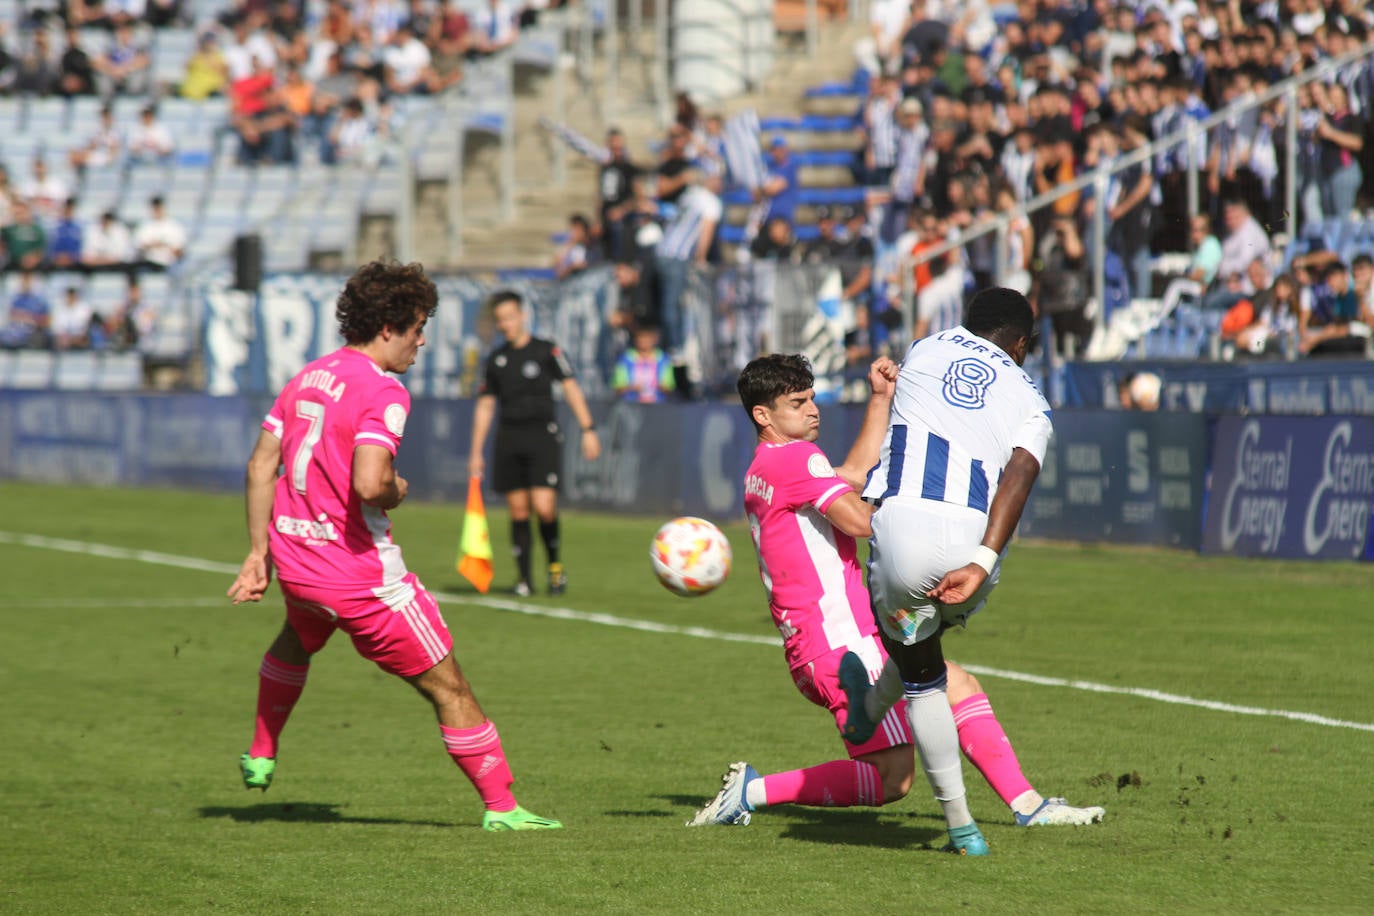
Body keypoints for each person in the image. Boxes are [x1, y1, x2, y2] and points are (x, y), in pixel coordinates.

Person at [688, 350, 1104, 842]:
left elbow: (853, 475)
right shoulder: (796, 460)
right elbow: (863, 522)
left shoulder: (771, 463)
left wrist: (881, 399)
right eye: (798, 402)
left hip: (827, 638)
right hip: (839, 638)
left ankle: (1029, 806)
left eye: (812, 398)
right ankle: (751, 793)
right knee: (892, 778)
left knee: (956, 685)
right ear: (763, 415)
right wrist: (918, 503)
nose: (813, 409)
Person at [226, 261, 561, 832]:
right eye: (417, 326)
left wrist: (258, 554)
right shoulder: (384, 390)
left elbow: (262, 464)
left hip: (297, 563)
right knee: (449, 686)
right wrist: (397, 490)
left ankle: (261, 750)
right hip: (361, 579)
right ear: (387, 327)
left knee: (298, 636)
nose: (422, 339)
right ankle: (504, 807)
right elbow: (370, 482)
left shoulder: (308, 375)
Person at [844, 287, 1081, 856]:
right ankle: (870, 705)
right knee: (927, 634)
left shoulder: (923, 350)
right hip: (974, 539)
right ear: (1021, 343)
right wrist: (981, 561)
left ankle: (961, 827)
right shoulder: (1032, 399)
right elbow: (1019, 475)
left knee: (918, 664)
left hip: (903, 527)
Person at [468, 290, 602, 597]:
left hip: (542, 436)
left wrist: (588, 428)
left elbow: (571, 387)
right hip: (509, 438)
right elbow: (486, 406)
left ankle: (554, 568)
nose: (506, 325)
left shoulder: (546, 351)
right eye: (500, 320)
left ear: (523, 315)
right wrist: (476, 451)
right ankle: (524, 580)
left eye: (510, 317)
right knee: (517, 510)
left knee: (543, 507)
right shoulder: (496, 360)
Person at [611, 324, 675, 403]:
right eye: (641, 339)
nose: (644, 342)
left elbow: (669, 388)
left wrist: (658, 386)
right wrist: (632, 387)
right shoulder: (626, 359)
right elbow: (618, 388)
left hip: (657, 406)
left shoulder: (663, 359)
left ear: (654, 340)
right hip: (632, 406)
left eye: (647, 339)